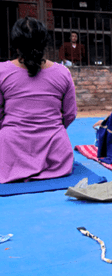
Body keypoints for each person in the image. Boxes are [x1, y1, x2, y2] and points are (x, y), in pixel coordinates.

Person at [0, 17, 77, 183]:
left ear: (16, 44)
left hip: (10, 153)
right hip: (56, 155)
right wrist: (50, 129)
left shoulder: (2, 71)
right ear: (45, 43)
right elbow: (70, 114)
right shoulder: (63, 73)